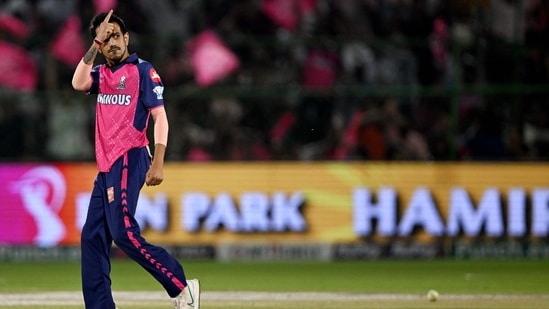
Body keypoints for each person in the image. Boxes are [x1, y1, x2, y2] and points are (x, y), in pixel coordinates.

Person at [71, 9, 200, 309]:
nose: (112, 42)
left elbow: (160, 117)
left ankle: (181, 286)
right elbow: (77, 83)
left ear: (127, 37)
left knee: (123, 232)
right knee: (93, 237)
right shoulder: (100, 75)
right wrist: (95, 44)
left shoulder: (143, 70)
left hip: (130, 156)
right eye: (106, 38)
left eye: (116, 35)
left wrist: (159, 161)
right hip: (106, 167)